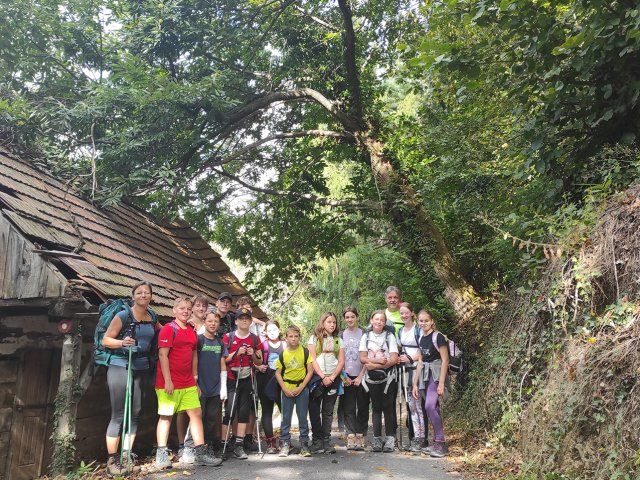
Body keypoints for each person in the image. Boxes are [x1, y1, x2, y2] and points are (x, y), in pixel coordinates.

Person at [154, 297, 220, 469]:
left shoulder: (191, 331)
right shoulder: (168, 329)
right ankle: (161, 454)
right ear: (174, 310)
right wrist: (168, 380)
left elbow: (194, 355)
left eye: (188, 308)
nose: (185, 311)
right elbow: (162, 355)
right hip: (168, 382)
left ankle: (200, 453)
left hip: (188, 382)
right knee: (166, 417)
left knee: (196, 414)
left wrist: (195, 379)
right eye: (182, 308)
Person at [102, 281, 157, 475]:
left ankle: (126, 456)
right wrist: (122, 342)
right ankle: (112, 461)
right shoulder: (123, 315)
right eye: (139, 292)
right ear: (133, 296)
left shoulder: (152, 316)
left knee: (135, 413)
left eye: (147, 292)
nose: (143, 295)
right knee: (118, 414)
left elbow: (162, 331)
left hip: (141, 368)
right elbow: (106, 340)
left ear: (151, 296)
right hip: (120, 366)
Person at [221, 307, 263, 459]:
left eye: (247, 318)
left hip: (247, 378)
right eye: (241, 318)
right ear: (236, 321)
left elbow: (259, 361)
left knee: (244, 412)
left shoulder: (254, 339)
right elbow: (224, 359)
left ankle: (239, 445)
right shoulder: (228, 337)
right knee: (230, 411)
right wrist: (236, 352)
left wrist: (253, 355)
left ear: (251, 321)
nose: (244, 321)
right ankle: (223, 444)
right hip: (232, 378)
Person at [359, 310, 399, 453]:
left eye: (382, 320)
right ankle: (376, 439)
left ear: (385, 322)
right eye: (376, 319)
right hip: (372, 378)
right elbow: (362, 358)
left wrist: (375, 365)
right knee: (376, 408)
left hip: (388, 378)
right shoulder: (366, 336)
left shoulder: (390, 336)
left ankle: (390, 439)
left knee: (388, 407)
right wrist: (378, 361)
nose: (379, 322)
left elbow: (394, 359)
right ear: (371, 320)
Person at [177, 294, 210, 462]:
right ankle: (182, 446)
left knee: (198, 409)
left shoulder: (209, 324)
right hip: (186, 371)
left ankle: (198, 445)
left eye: (204, 306)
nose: (201, 308)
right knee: (183, 410)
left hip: (204, 371)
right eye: (197, 305)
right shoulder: (187, 325)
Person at [412, 309, 450, 458]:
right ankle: (437, 443)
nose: (423, 323)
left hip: (436, 375)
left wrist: (441, 383)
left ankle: (440, 443)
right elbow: (420, 361)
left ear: (432, 321)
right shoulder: (421, 337)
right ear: (418, 322)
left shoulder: (438, 337)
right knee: (433, 408)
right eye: (421, 321)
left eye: (426, 320)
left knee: (429, 406)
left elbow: (445, 360)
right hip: (424, 376)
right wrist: (415, 384)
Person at [307, 312, 345, 454]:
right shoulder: (313, 339)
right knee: (314, 410)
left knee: (328, 412)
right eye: (329, 322)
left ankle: (326, 441)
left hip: (333, 379)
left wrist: (332, 377)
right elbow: (312, 360)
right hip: (316, 379)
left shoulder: (338, 340)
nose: (332, 324)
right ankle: (316, 441)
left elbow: (341, 361)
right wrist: (323, 376)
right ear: (323, 322)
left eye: (334, 322)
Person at [275, 325, 314, 457]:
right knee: (286, 418)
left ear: (299, 337)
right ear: (285, 338)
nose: (293, 339)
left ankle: (304, 444)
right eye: (290, 336)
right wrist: (284, 389)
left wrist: (301, 387)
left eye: (296, 336)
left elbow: (310, 371)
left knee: (302, 417)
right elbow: (278, 373)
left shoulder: (305, 352)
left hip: (302, 388)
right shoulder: (283, 354)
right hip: (287, 389)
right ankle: (285, 443)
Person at [197, 312, 228, 455]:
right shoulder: (199, 340)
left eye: (216, 321)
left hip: (215, 388)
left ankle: (208, 447)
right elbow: (193, 362)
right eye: (209, 321)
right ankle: (196, 448)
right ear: (204, 321)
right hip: (200, 387)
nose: (213, 324)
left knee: (211, 419)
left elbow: (222, 364)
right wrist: (195, 383)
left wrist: (223, 387)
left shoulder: (220, 342)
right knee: (199, 418)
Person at [396, 302, 425, 453]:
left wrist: (409, 358)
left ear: (412, 313)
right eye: (402, 313)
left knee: (418, 406)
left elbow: (423, 352)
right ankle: (415, 438)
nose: (404, 315)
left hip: (417, 370)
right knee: (411, 406)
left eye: (407, 312)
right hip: (405, 372)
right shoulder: (400, 331)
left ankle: (422, 438)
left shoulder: (418, 330)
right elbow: (399, 349)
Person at [340, 306, 367, 451]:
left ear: (357, 317)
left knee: (362, 406)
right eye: (347, 317)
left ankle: (360, 435)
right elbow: (339, 358)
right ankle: (350, 435)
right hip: (347, 377)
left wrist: (361, 375)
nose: (350, 319)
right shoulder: (341, 335)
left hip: (362, 375)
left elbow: (368, 356)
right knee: (349, 407)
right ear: (344, 319)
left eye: (352, 316)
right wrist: (344, 376)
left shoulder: (364, 333)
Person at [255, 320, 284, 454]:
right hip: (265, 381)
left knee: (285, 411)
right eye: (269, 330)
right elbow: (254, 360)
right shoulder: (262, 345)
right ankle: (270, 442)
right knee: (267, 411)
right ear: (265, 332)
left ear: (279, 330)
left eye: (275, 329)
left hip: (281, 382)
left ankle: (284, 440)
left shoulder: (285, 344)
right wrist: (258, 367)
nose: (272, 332)